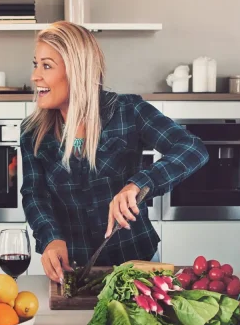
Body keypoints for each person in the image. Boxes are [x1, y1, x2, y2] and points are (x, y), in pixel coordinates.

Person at [21, 21, 208, 283]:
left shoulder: (128, 111)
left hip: (135, 262)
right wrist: (50, 238)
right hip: (71, 270)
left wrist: (137, 184)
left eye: (47, 66)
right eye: (35, 64)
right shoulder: (33, 132)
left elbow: (192, 149)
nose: (34, 76)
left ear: (77, 70)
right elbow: (34, 194)